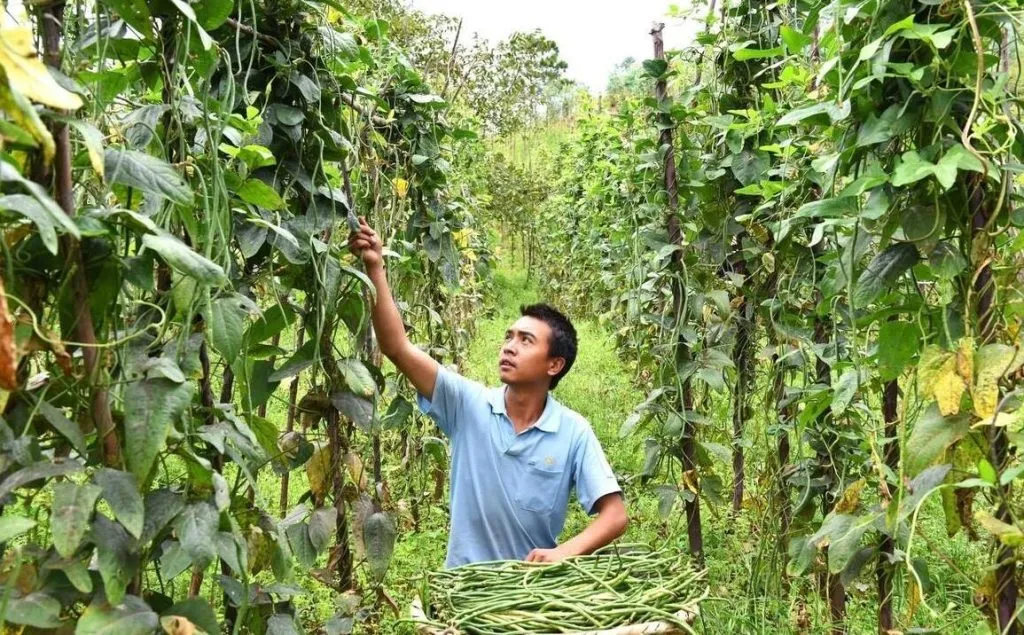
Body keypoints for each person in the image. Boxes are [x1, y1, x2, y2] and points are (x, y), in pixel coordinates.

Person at [348, 218, 628, 568]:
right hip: (464, 589)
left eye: (525, 341)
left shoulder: (573, 432)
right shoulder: (467, 405)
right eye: (509, 337)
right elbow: (396, 347)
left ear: (554, 365)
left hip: (530, 592)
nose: (509, 347)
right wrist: (376, 267)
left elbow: (615, 515)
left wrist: (563, 552)